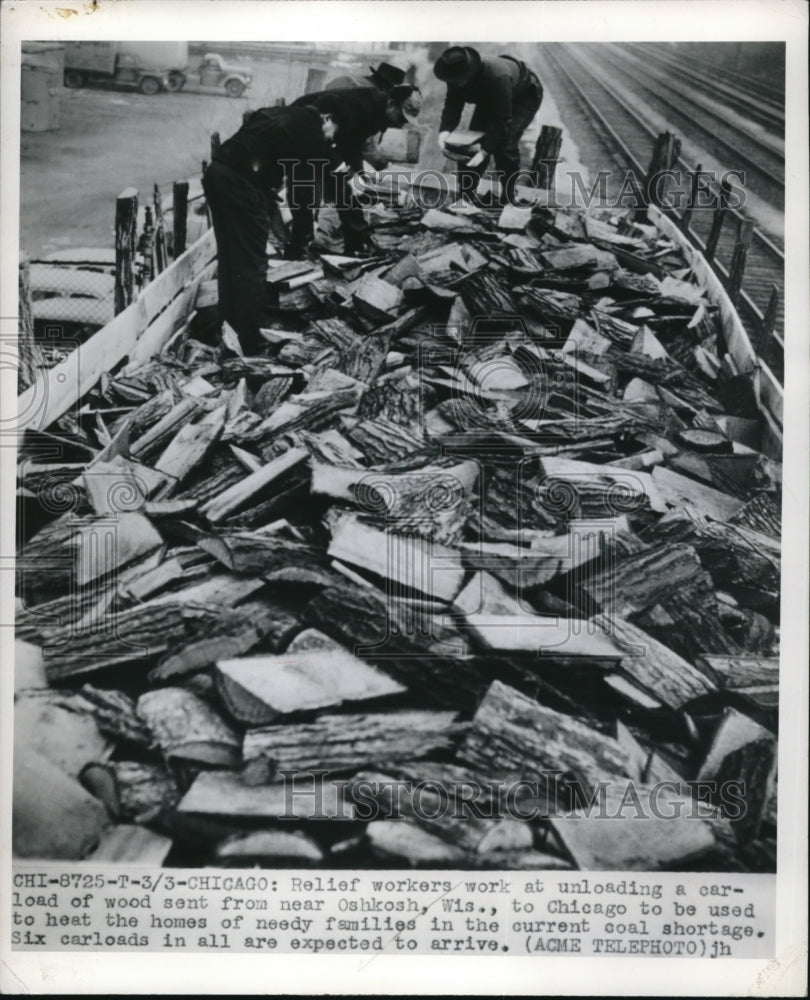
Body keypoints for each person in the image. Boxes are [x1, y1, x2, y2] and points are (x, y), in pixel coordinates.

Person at [201, 101, 341, 352]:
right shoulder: (310, 135)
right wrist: (299, 241)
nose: (329, 142)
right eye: (332, 136)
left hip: (218, 174)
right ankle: (250, 343)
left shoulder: (284, 117)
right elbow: (303, 198)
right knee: (252, 266)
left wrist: (279, 224)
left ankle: (230, 331)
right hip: (241, 185)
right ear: (328, 121)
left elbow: (263, 174)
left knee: (231, 260)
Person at [291, 84, 422, 256]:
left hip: (333, 139)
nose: (402, 123)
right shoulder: (360, 106)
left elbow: (351, 144)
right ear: (391, 104)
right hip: (304, 129)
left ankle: (356, 247)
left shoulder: (378, 113)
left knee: (353, 189)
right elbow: (324, 143)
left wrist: (355, 177)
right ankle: (298, 252)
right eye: (402, 117)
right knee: (305, 191)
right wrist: (346, 173)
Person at [434, 46, 543, 203]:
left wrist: (485, 152)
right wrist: (444, 131)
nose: (458, 85)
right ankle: (465, 196)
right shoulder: (454, 73)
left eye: (461, 81)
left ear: (470, 73)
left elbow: (502, 119)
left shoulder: (497, 77)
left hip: (523, 95)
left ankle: (510, 196)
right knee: (470, 144)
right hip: (490, 97)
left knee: (505, 145)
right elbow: (452, 104)